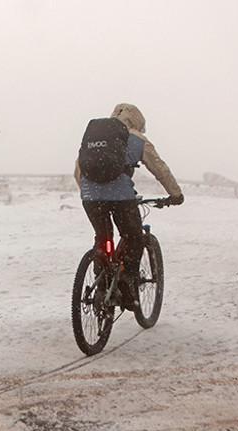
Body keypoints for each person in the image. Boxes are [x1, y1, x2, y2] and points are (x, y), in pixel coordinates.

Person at [74, 103, 184, 304]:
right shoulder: (137, 139)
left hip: (90, 198)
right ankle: (126, 280)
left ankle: (101, 286)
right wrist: (175, 194)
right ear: (138, 121)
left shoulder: (96, 138)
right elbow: (160, 169)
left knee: (103, 238)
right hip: (121, 198)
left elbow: (78, 171)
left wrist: (92, 194)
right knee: (133, 237)